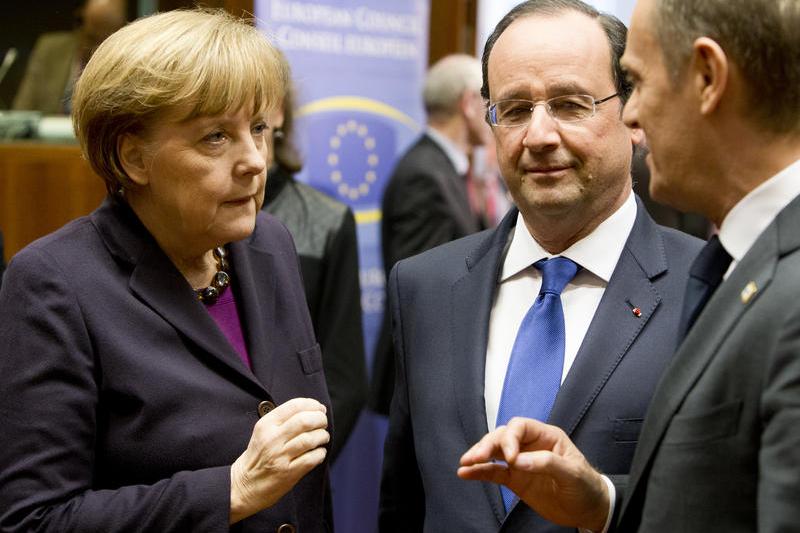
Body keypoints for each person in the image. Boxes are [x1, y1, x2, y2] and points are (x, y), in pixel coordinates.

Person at [458, 0, 800, 531]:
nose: (633, 115)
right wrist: (604, 505)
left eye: (637, 83)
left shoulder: (779, 287)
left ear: (708, 78)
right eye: (516, 109)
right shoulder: (745, 264)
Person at [0, 9, 332, 532]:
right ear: (134, 158)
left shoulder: (271, 244)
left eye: (259, 128)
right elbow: (36, 521)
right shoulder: (54, 283)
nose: (255, 160)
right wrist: (233, 490)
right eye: (216, 137)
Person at [379, 1, 703, 531]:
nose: (538, 136)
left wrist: (602, 502)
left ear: (633, 111)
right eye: (513, 109)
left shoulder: (709, 289)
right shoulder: (424, 287)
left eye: (571, 104)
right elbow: (404, 504)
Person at [370, 53, 488, 415]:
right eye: (488, 100)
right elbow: (424, 292)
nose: (494, 113)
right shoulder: (424, 175)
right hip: (428, 381)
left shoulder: (446, 169)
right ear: (468, 103)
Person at [263, 57, 368, 462]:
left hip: (297, 469)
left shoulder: (326, 221)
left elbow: (344, 377)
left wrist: (299, 464)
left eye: (256, 124)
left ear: (277, 115)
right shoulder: (181, 220)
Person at [13, 0, 126, 114]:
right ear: (79, 24)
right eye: (91, 38)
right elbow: (21, 110)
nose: (95, 49)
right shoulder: (50, 50)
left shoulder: (126, 65)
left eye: (104, 42)